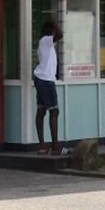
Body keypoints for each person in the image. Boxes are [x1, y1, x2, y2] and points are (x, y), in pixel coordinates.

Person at [33, 20, 65, 155]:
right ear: (49, 31)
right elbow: (60, 34)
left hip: (41, 79)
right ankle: (55, 146)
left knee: (41, 110)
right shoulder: (46, 40)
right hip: (46, 80)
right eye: (53, 30)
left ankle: (42, 145)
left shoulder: (45, 43)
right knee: (54, 111)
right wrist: (54, 23)